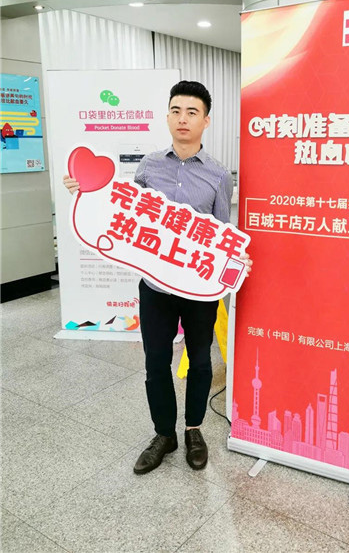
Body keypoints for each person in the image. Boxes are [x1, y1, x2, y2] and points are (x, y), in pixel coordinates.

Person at [64, 80, 252, 474]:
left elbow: (221, 232)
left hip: (199, 291)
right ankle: (164, 434)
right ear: (167, 116)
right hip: (154, 288)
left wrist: (235, 261)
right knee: (155, 362)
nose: (183, 119)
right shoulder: (149, 166)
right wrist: (85, 192)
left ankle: (194, 429)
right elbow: (122, 213)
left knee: (200, 361)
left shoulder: (219, 175)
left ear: (205, 121)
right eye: (176, 111)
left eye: (192, 112)